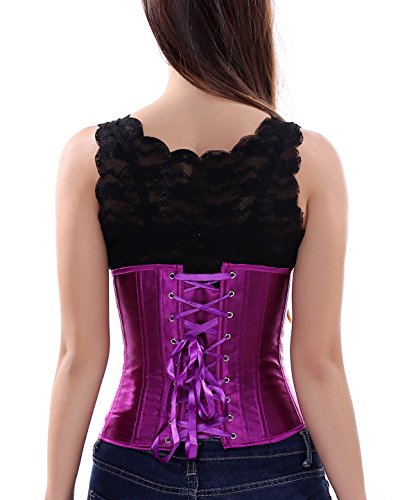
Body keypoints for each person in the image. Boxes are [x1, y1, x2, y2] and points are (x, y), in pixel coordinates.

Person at [45, 1, 367, 499]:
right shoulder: (310, 162)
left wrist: (54, 493)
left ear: (159, 14)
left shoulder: (89, 159)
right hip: (272, 472)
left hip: (133, 472)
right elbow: (318, 362)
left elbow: (79, 356)